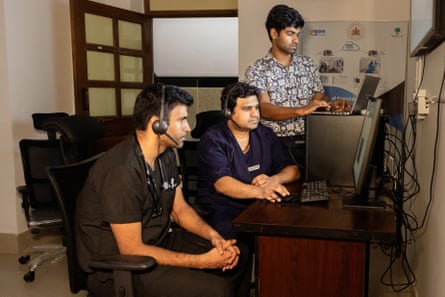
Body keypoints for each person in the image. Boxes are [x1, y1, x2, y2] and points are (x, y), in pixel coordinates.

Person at [75, 83, 251, 297]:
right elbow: (132, 250)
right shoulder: (122, 171)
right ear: (157, 125)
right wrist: (202, 261)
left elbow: (180, 210)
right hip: (120, 268)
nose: (188, 127)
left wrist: (215, 238)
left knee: (239, 255)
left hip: (158, 241)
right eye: (182, 120)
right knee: (217, 289)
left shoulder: (165, 154)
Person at [196, 82, 300, 242]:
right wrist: (262, 192)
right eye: (247, 109)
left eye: (256, 108)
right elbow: (222, 184)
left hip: (257, 206)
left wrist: (275, 179)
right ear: (228, 112)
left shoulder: (264, 134)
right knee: (236, 242)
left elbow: (293, 170)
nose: (255, 114)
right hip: (223, 209)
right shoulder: (213, 139)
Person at [244, 4, 331, 169]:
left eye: (298, 34)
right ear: (274, 33)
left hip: (310, 142)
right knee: (281, 192)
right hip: (275, 145)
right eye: (290, 33)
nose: (296, 40)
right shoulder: (257, 70)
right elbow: (264, 108)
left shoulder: (308, 64)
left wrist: (328, 104)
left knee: (313, 191)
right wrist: (301, 110)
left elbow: (319, 97)